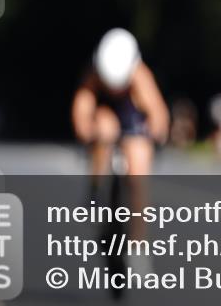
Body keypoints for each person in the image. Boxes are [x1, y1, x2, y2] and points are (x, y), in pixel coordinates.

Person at [71, 28, 169, 252]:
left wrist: (152, 134)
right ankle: (96, 190)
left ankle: (138, 242)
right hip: (106, 119)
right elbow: (81, 118)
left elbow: (158, 116)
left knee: (138, 164)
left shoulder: (140, 75)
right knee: (105, 127)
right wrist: (92, 131)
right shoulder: (93, 75)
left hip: (132, 119)